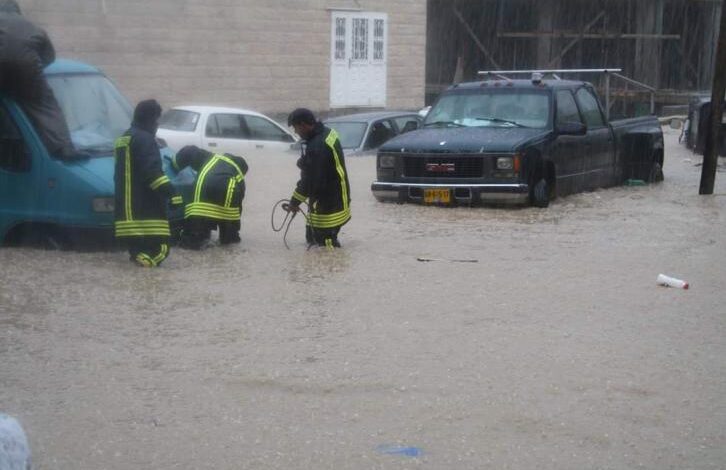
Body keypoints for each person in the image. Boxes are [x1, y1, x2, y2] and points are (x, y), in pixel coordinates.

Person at [0, 0, 75, 158]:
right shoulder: (34, 27)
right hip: (27, 69)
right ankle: (64, 147)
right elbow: (49, 57)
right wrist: (31, 69)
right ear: (18, 11)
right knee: (45, 105)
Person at [114, 99, 182, 267]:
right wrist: (172, 194)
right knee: (161, 250)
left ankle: (135, 281)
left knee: (138, 256)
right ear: (152, 119)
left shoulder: (123, 139)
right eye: (157, 120)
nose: (158, 125)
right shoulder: (145, 139)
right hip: (146, 215)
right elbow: (152, 174)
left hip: (126, 217)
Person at [285, 108, 351, 248]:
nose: (296, 132)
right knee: (312, 240)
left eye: (296, 128)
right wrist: (306, 162)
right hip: (337, 196)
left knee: (325, 246)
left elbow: (310, 181)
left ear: (303, 124)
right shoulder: (327, 132)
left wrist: (294, 202)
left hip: (328, 205)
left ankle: (332, 262)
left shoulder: (317, 146)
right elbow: (323, 166)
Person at [172, 145, 248, 249]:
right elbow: (238, 204)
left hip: (202, 201)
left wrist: (175, 166)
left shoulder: (212, 158)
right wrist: (234, 229)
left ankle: (194, 241)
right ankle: (228, 243)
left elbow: (189, 151)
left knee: (193, 242)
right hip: (228, 206)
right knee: (230, 243)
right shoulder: (237, 175)